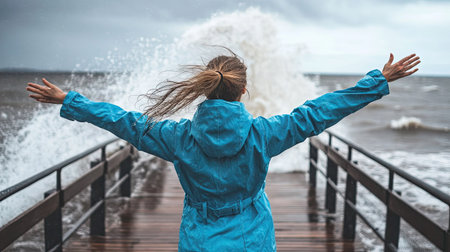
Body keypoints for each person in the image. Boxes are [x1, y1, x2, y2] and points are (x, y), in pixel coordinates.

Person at [26, 51, 420, 251]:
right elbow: (317, 113)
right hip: (253, 236)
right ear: (243, 91)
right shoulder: (264, 134)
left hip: (199, 237)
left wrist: (70, 101)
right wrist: (377, 81)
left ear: (203, 89)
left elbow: (125, 121)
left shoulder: (177, 137)